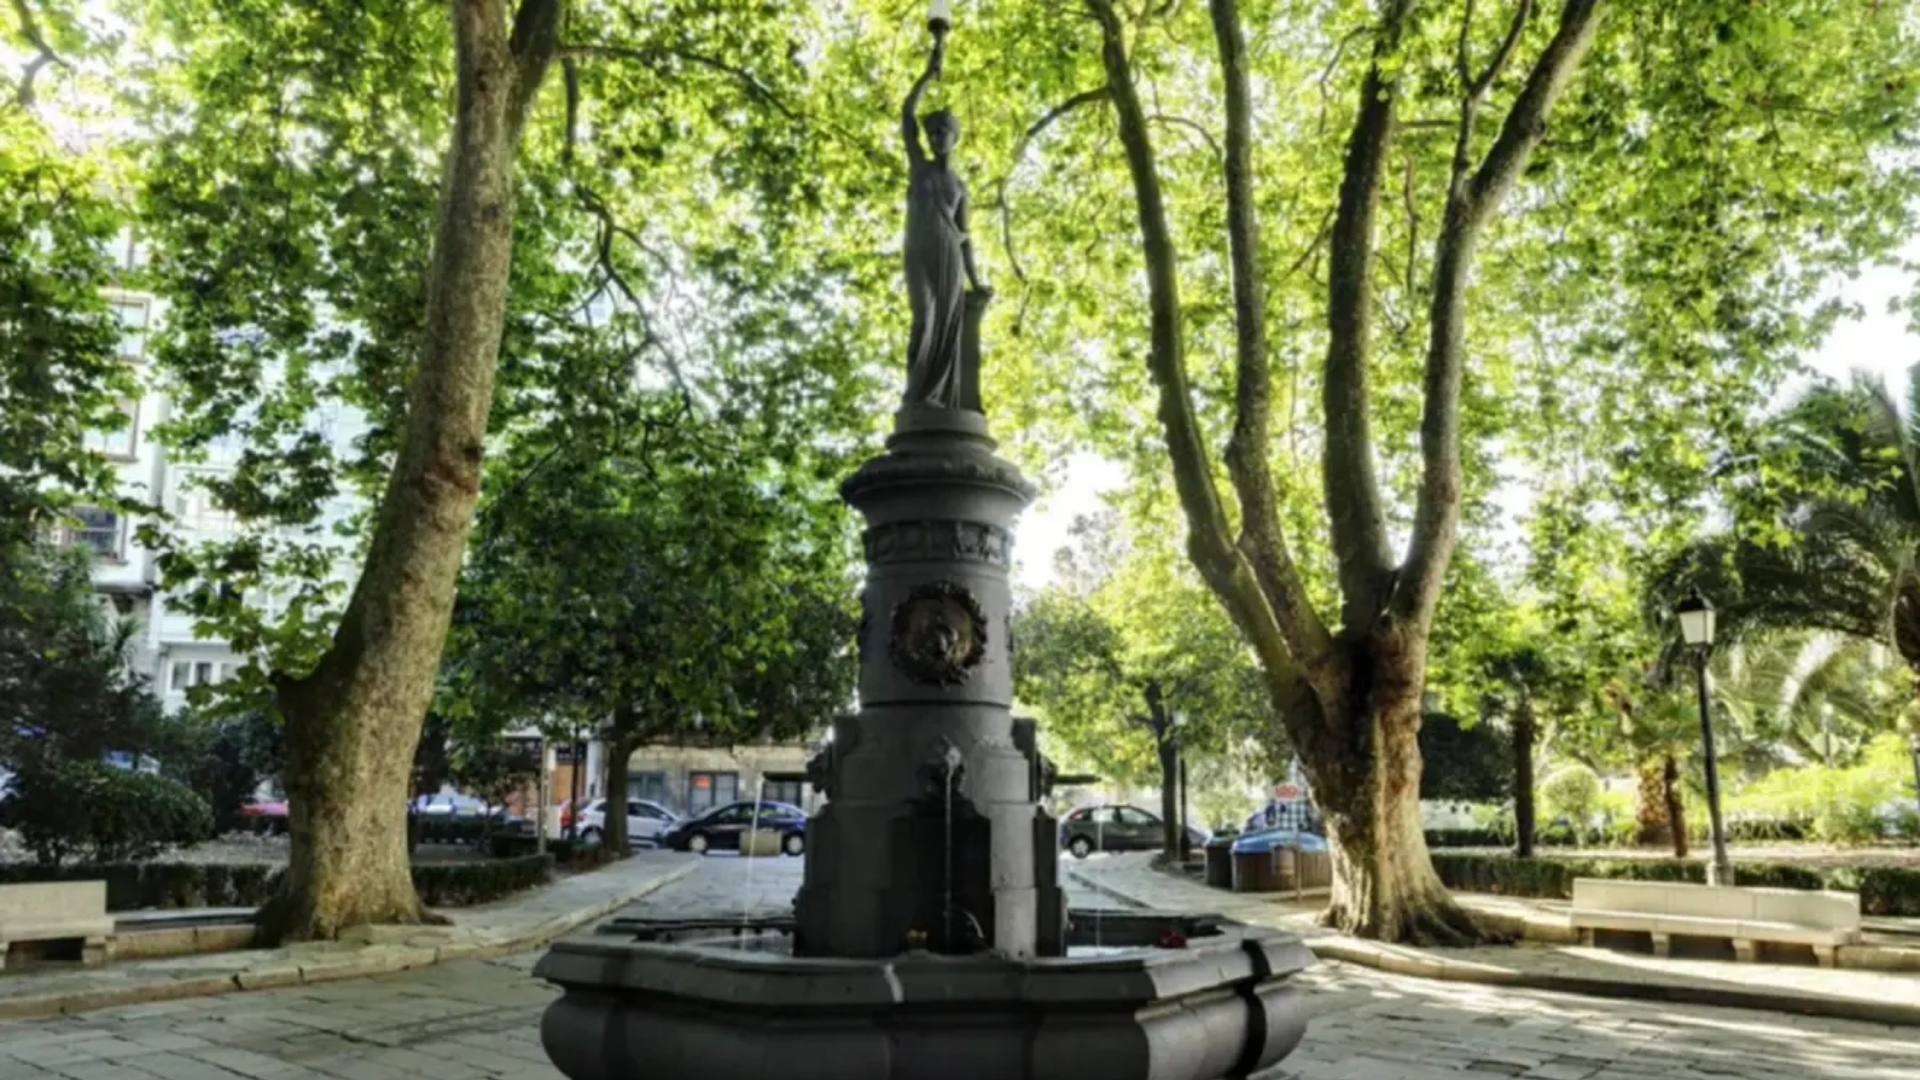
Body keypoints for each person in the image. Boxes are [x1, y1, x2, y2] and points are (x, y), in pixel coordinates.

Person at [899, 28, 988, 408]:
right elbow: (906, 115)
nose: (936, 137)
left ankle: (938, 397)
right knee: (924, 318)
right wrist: (926, 74)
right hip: (920, 250)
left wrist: (977, 281)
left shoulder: (960, 186)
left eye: (942, 132)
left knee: (947, 331)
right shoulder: (919, 168)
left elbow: (965, 237)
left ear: (954, 138)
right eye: (932, 132)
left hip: (950, 256)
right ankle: (916, 395)